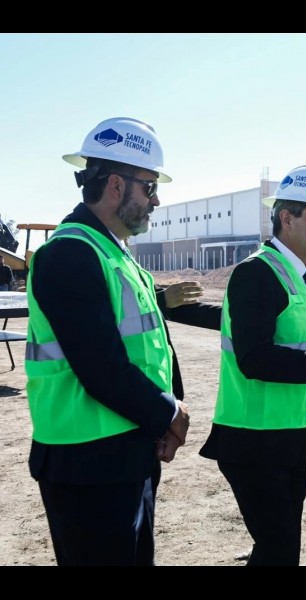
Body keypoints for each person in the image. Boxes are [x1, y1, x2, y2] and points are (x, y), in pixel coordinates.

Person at [25, 117, 192, 566]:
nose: (156, 200)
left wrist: (167, 409)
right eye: (149, 187)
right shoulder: (69, 253)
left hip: (126, 450)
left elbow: (152, 342)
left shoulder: (115, 253)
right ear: (116, 185)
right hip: (86, 462)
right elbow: (100, 366)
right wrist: (169, 413)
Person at [199, 164, 306, 566]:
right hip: (254, 440)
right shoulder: (256, 273)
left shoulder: (304, 280)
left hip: (292, 437)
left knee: (279, 551)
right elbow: (254, 358)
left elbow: (298, 354)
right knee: (278, 551)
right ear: (286, 218)